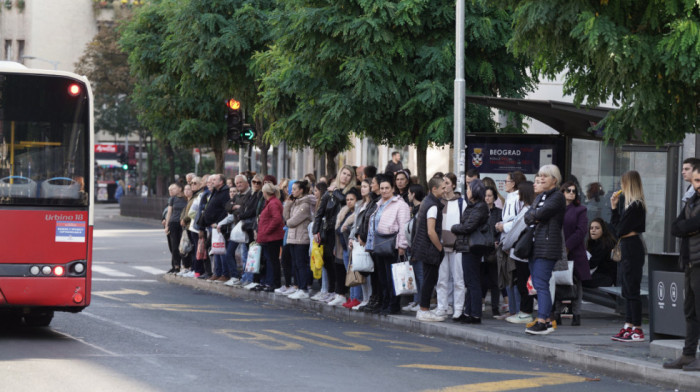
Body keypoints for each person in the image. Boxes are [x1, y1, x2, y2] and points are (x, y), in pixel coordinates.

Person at [665, 164, 700, 370]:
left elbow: (691, 225)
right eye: (696, 181)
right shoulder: (692, 200)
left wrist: (689, 227)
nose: (698, 185)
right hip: (689, 261)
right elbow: (675, 228)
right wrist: (690, 228)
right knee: (690, 311)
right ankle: (688, 354)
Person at [524, 164, 566, 335]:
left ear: (554, 180)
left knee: (541, 284)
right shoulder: (540, 196)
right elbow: (528, 217)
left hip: (547, 247)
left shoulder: (557, 197)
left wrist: (537, 215)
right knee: (538, 283)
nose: (540, 179)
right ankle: (547, 319)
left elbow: (539, 215)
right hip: (535, 246)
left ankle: (542, 320)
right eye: (539, 175)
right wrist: (536, 214)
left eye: (545, 176)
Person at [610, 170, 647, 342]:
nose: (620, 187)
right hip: (627, 244)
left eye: (622, 183)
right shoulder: (629, 205)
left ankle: (637, 328)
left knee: (632, 288)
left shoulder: (636, 205)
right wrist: (614, 208)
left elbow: (619, 229)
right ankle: (629, 325)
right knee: (626, 288)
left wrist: (616, 215)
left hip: (632, 245)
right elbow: (616, 228)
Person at [365, 174, 410, 315]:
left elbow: (404, 226)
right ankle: (385, 303)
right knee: (382, 277)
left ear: (392, 189)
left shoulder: (400, 205)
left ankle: (393, 305)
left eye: (387, 188)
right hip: (379, 244)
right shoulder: (379, 204)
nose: (384, 191)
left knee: (393, 277)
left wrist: (402, 245)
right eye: (382, 188)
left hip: (393, 245)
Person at [312, 165, 356, 303]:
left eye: (349, 175)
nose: (345, 177)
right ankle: (333, 291)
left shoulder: (352, 191)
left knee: (341, 261)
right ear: (339, 174)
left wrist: (335, 192)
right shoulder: (329, 192)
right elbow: (319, 213)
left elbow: (345, 201)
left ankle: (341, 292)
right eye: (344, 173)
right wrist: (315, 231)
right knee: (329, 261)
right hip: (329, 230)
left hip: (344, 231)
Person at [451, 178, 490, 324]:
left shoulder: (480, 207)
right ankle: (468, 312)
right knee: (469, 280)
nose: (466, 191)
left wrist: (454, 228)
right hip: (466, 246)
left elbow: (468, 226)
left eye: (468, 189)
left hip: (473, 247)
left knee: (472, 280)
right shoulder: (473, 206)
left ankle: (475, 314)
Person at [552, 181, 589, 327]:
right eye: (568, 190)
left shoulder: (580, 209)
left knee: (576, 283)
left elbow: (581, 231)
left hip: (575, 251)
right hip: (557, 250)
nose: (571, 193)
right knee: (558, 281)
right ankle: (557, 313)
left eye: (574, 191)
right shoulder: (556, 209)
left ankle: (576, 314)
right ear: (562, 192)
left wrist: (567, 246)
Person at [413, 176, 446, 322]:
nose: (445, 190)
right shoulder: (433, 205)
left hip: (423, 247)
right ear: (434, 189)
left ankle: (424, 308)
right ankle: (424, 309)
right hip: (429, 248)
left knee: (428, 278)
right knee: (429, 279)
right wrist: (440, 248)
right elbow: (431, 231)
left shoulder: (427, 201)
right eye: (443, 188)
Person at [502, 181, 536, 325]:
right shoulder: (526, 209)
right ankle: (524, 311)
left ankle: (526, 312)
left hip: (522, 253)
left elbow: (515, 231)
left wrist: (506, 245)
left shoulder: (528, 211)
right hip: (520, 252)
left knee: (524, 284)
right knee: (522, 283)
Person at [495, 171, 527, 319]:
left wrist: (504, 227)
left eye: (507, 181)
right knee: (507, 277)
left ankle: (518, 310)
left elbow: (518, 221)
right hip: (505, 241)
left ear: (513, 183)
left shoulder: (519, 198)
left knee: (514, 277)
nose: (505, 183)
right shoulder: (509, 197)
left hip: (513, 242)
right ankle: (512, 309)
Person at [435, 173, 467, 320]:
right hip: (441, 245)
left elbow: (465, 224)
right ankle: (442, 306)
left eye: (447, 183)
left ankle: (458, 307)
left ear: (453, 185)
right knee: (442, 278)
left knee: (458, 278)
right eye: (443, 183)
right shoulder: (438, 202)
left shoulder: (461, 202)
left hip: (457, 246)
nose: (445, 186)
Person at [332, 187, 361, 307]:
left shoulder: (358, 212)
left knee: (355, 274)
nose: (349, 201)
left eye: (352, 199)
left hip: (354, 247)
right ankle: (352, 297)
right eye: (347, 199)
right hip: (343, 247)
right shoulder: (344, 211)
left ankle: (357, 298)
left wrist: (346, 228)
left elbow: (356, 228)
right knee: (349, 274)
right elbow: (338, 229)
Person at [402, 183, 426, 312]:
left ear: (414, 194)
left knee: (420, 275)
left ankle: (421, 301)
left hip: (419, 248)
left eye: (409, 193)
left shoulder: (422, 209)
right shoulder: (413, 209)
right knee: (415, 275)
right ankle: (416, 300)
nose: (408, 195)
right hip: (412, 247)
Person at [256, 183, 285, 292]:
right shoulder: (271, 203)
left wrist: (267, 231)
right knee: (270, 260)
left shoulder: (273, 203)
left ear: (265, 192)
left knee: (273, 261)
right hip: (269, 237)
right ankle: (270, 282)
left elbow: (277, 219)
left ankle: (275, 283)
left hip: (272, 237)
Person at [481, 186, 503, 317]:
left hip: (494, 249)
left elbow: (502, 228)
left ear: (494, 197)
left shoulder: (499, 212)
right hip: (481, 248)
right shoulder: (480, 211)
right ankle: (480, 304)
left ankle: (495, 308)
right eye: (485, 195)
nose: (487, 198)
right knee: (481, 279)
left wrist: (497, 242)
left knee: (495, 280)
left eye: (490, 195)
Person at [583, 218, 618, 288]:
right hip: (599, 274)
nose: (593, 230)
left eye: (597, 228)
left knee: (577, 278)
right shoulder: (594, 242)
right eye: (591, 228)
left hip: (606, 278)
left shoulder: (604, 244)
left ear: (603, 231)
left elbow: (592, 264)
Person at [164, 183, 187, 274]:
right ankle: (175, 266)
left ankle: (185, 265)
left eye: (173, 189)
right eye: (170, 190)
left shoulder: (186, 198)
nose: (171, 191)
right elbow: (169, 212)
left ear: (180, 189)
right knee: (174, 245)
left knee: (183, 246)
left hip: (183, 224)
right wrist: (167, 225)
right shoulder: (172, 199)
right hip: (173, 223)